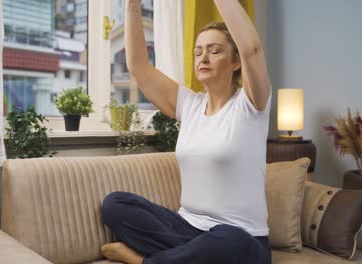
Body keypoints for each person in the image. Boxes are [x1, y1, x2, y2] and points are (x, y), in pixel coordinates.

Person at [100, 0, 272, 263]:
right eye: (198, 51)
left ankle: (142, 260)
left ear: (236, 62)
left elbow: (253, 50)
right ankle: (187, 257)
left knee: (230, 240)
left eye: (214, 51)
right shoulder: (189, 105)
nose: (203, 57)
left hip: (242, 238)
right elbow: (138, 66)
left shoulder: (251, 106)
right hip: (186, 228)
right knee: (116, 204)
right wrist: (133, 5)